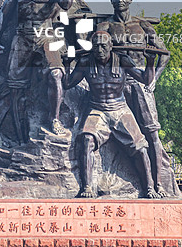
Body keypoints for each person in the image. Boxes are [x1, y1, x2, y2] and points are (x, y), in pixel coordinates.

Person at [65, 31, 161, 199]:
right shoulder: (86, 62)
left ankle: (149, 188)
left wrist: (151, 61)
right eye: (96, 46)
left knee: (141, 148)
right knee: (87, 140)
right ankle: (87, 187)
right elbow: (67, 83)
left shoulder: (123, 60)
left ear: (110, 46)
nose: (99, 49)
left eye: (103, 46)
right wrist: (66, 64)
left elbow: (146, 79)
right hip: (97, 109)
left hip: (120, 109)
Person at [0, 0, 74, 142]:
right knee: (15, 87)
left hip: (46, 35)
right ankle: (19, 134)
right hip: (22, 36)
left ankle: (54, 119)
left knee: (56, 74)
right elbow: (4, 13)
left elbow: (66, 3)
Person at [96, 0, 170, 197]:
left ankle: (159, 184)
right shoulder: (105, 26)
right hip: (115, 85)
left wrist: (154, 78)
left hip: (140, 83)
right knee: (124, 135)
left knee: (152, 133)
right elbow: (95, 51)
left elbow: (163, 53)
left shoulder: (142, 25)